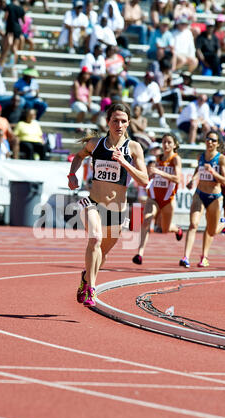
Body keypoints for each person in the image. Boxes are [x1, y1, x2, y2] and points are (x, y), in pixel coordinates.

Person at [67, 102, 148, 307]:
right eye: (115, 120)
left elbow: (145, 180)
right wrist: (72, 174)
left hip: (117, 211)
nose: (119, 124)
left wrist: (125, 163)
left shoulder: (134, 148)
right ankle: (91, 289)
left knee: (101, 255)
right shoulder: (96, 144)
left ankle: (86, 278)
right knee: (95, 239)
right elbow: (79, 156)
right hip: (92, 202)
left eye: (123, 121)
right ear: (107, 122)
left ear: (128, 123)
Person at [179, 130, 225, 268]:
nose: (210, 142)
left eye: (213, 140)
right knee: (193, 224)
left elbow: (224, 180)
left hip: (215, 197)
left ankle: (204, 256)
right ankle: (186, 257)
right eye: (208, 139)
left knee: (210, 230)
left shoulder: (221, 159)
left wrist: (212, 171)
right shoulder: (201, 156)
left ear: (218, 144)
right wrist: (192, 181)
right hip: (199, 194)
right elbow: (198, 172)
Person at [132, 133, 183, 265]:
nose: (166, 145)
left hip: (168, 199)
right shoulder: (157, 158)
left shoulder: (175, 159)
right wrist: (150, 172)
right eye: (164, 142)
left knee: (164, 229)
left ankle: (177, 229)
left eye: (169, 142)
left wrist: (160, 172)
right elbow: (151, 174)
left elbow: (177, 179)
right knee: (147, 220)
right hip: (153, 197)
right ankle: (140, 254)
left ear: (174, 145)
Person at [70, 66, 100, 132]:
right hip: (76, 102)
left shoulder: (90, 85)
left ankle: (89, 125)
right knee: (83, 109)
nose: (87, 76)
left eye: (88, 74)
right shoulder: (76, 83)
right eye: (85, 74)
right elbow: (77, 97)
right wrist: (86, 104)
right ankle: (79, 125)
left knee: (98, 109)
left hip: (85, 103)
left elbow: (89, 97)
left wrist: (88, 104)